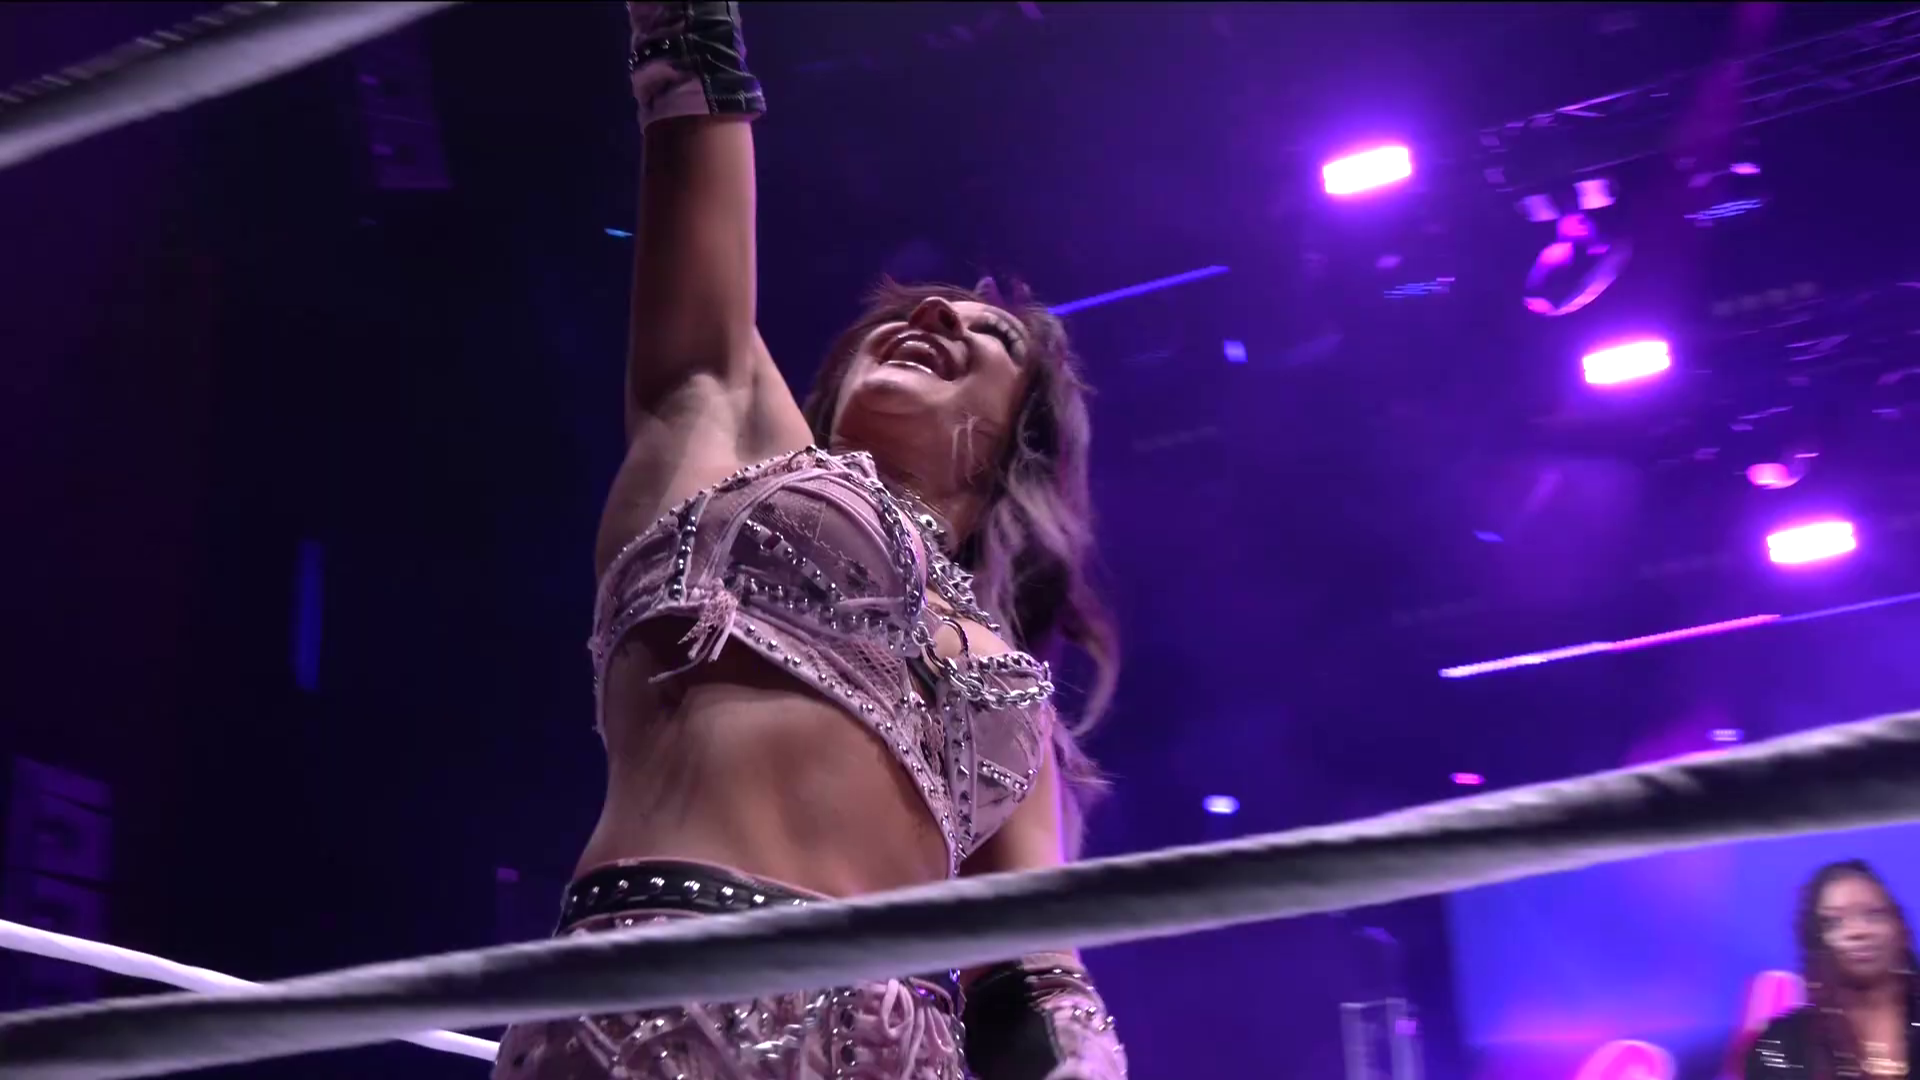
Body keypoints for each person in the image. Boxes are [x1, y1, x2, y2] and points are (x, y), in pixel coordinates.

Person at [493, 4, 1128, 1079]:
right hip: (658, 1018)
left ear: (1015, 443)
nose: (939, 318)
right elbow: (691, 142)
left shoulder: (1014, 693)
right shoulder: (732, 433)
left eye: (989, 334)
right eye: (915, 312)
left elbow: (1033, 981)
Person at [1748, 860, 1918, 1078]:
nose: (1858, 932)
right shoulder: (1781, 1046)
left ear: (1900, 929)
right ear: (1814, 941)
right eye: (1834, 922)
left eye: (1873, 915)